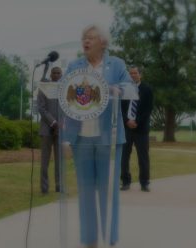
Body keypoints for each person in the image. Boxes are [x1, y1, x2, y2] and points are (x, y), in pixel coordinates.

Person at [61, 24, 132, 247]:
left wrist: (116, 89)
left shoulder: (116, 64)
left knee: (108, 192)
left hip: (108, 138)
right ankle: (89, 240)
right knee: (86, 192)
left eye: (90, 37)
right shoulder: (74, 66)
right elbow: (64, 100)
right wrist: (65, 138)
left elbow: (132, 89)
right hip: (81, 138)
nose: (86, 41)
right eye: (84, 37)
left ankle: (110, 238)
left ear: (103, 42)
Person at [120, 66, 154, 192]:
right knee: (124, 156)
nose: (132, 75)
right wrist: (127, 121)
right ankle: (125, 182)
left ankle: (144, 183)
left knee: (143, 157)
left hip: (141, 129)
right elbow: (121, 108)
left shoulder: (147, 89)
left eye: (135, 73)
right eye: (131, 73)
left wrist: (137, 122)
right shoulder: (124, 89)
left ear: (140, 75)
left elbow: (148, 109)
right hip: (126, 128)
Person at [38, 67, 63, 195]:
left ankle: (59, 186)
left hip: (61, 129)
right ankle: (44, 188)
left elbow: (68, 107)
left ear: (61, 75)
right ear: (51, 74)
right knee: (45, 160)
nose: (56, 75)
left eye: (59, 73)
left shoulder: (65, 89)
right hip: (47, 129)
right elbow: (41, 108)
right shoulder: (44, 87)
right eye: (54, 72)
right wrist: (53, 122)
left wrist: (61, 123)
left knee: (59, 160)